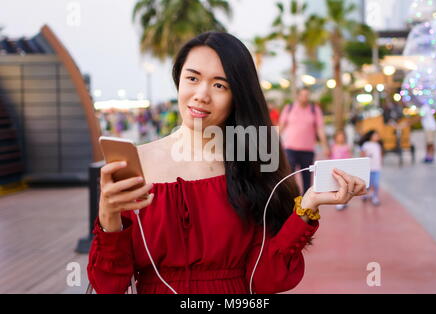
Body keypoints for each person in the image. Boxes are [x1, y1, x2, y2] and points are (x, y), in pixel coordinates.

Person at [87, 32, 367, 294]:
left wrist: (307, 207)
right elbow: (108, 285)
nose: (202, 95)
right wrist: (108, 216)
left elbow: (266, 278)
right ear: (178, 80)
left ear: (237, 96)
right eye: (193, 78)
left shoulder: (254, 163)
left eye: (220, 85)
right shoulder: (136, 163)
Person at [279, 88, 330, 194]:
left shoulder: (314, 110)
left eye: (307, 95)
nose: (304, 97)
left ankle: (306, 205)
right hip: (290, 148)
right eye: (302, 95)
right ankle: (289, 200)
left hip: (308, 150)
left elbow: (320, 129)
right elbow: (281, 126)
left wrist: (325, 146)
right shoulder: (289, 108)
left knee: (307, 179)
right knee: (289, 177)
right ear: (298, 96)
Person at [330, 129, 353, 211]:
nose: (340, 138)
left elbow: (349, 157)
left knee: (345, 186)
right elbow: (330, 156)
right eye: (339, 137)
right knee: (337, 186)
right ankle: (339, 202)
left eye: (342, 137)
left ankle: (343, 201)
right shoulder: (333, 146)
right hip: (336, 169)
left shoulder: (346, 147)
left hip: (344, 169)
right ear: (335, 138)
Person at [359, 130, 383, 206]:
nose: (377, 137)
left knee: (376, 183)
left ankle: (375, 196)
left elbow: (380, 155)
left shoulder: (378, 145)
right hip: (368, 168)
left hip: (376, 168)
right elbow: (362, 154)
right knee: (367, 183)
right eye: (375, 135)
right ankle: (365, 194)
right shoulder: (366, 144)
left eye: (377, 136)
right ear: (371, 136)